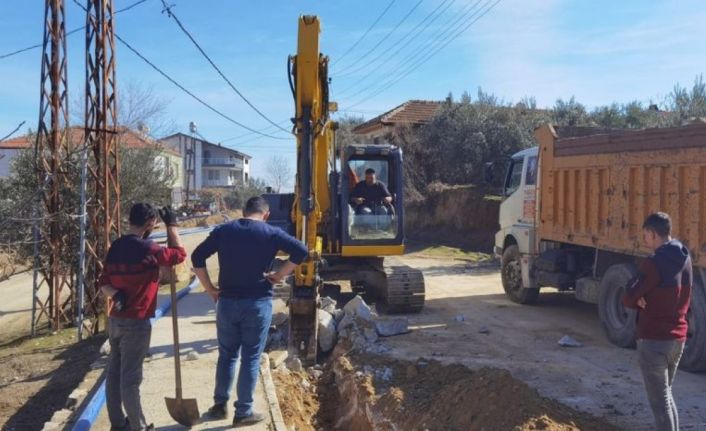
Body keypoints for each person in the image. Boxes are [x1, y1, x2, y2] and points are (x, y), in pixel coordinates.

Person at [191, 196, 307, 427]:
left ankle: (219, 406)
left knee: (227, 355)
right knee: (250, 358)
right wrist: (280, 275)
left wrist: (210, 289)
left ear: (243, 211)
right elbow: (301, 251)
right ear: (265, 215)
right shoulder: (271, 232)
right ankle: (243, 411)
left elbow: (197, 257)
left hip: (226, 303)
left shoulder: (224, 230)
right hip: (256, 303)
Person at [99, 203, 186, 431]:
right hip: (136, 324)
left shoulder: (115, 247)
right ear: (149, 224)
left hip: (116, 320)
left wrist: (116, 294)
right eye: (154, 224)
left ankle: (118, 425)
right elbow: (179, 255)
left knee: (114, 374)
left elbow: (103, 283)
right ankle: (138, 427)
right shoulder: (149, 249)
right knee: (130, 379)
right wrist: (173, 225)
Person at [623, 212, 692, 431]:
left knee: (659, 403)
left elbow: (628, 295)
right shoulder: (685, 257)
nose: (645, 241)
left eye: (645, 236)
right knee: (666, 395)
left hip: (653, 340)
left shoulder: (653, 263)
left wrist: (640, 298)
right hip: (677, 339)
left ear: (653, 234)